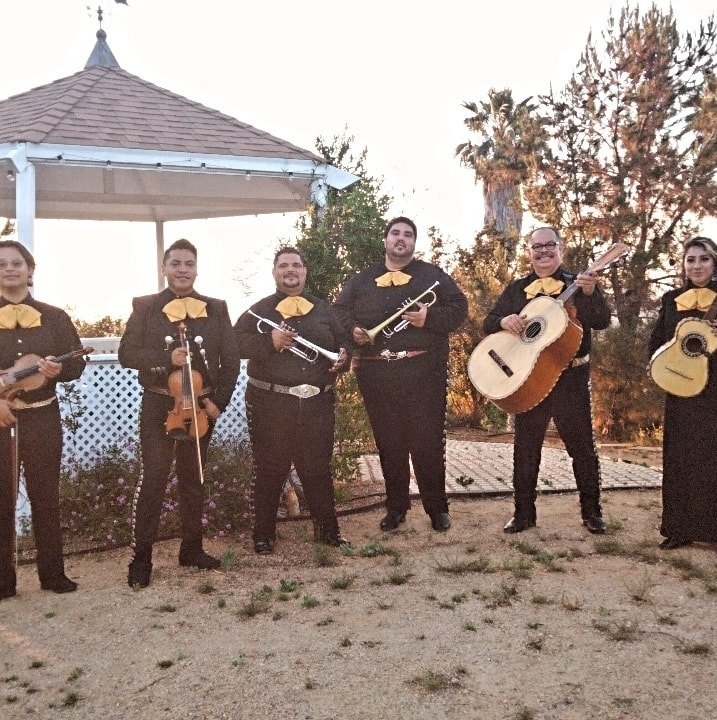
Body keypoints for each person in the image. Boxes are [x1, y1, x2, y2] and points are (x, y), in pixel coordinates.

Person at [333, 217, 468, 532]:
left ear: (413, 243)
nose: (401, 238)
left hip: (424, 374)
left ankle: (437, 509)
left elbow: (459, 308)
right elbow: (338, 311)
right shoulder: (363, 280)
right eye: (395, 233)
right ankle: (396, 508)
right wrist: (353, 330)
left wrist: (429, 317)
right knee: (389, 444)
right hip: (377, 375)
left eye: (408, 234)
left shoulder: (432, 275)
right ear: (386, 239)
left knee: (427, 443)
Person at [119, 238, 240, 588]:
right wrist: (164, 358)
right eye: (176, 263)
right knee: (154, 478)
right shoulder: (145, 306)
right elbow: (127, 353)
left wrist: (220, 402)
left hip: (201, 406)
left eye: (189, 264)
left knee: (194, 478)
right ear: (164, 268)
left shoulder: (216, 308)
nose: (182, 270)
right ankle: (141, 559)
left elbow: (231, 360)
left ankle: (192, 550)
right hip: (160, 403)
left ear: (196, 269)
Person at [483, 226, 611, 534]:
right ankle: (523, 514)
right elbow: (488, 322)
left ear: (560, 249)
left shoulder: (580, 284)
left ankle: (592, 512)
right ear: (529, 253)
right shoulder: (517, 289)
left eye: (549, 245)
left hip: (570, 378)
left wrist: (590, 293)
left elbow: (601, 320)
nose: (543, 251)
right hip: (530, 379)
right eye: (537, 247)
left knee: (581, 448)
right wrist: (504, 320)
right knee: (526, 448)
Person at [235, 247, 350, 554]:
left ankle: (328, 532)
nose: (290, 270)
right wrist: (269, 341)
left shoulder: (323, 309)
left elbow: (343, 344)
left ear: (304, 272)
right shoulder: (259, 310)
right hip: (271, 403)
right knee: (269, 470)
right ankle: (263, 535)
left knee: (318, 469)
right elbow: (235, 343)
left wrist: (344, 359)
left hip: (317, 403)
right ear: (274, 272)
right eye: (283, 265)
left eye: (296, 265)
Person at [0, 240, 86, 598]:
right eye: (2, 264)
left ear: (30, 269)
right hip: (1, 418)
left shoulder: (54, 316)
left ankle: (53, 575)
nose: (9, 269)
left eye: (17, 263)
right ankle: (3, 581)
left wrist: (58, 370)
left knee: (46, 496)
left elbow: (77, 364)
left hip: (43, 417)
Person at [648, 236, 717, 550]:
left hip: (713, 390)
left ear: (714, 263)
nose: (697, 266)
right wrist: (660, 366)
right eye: (691, 260)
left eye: (704, 259)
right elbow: (656, 341)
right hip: (681, 389)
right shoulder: (671, 299)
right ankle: (679, 528)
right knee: (679, 460)